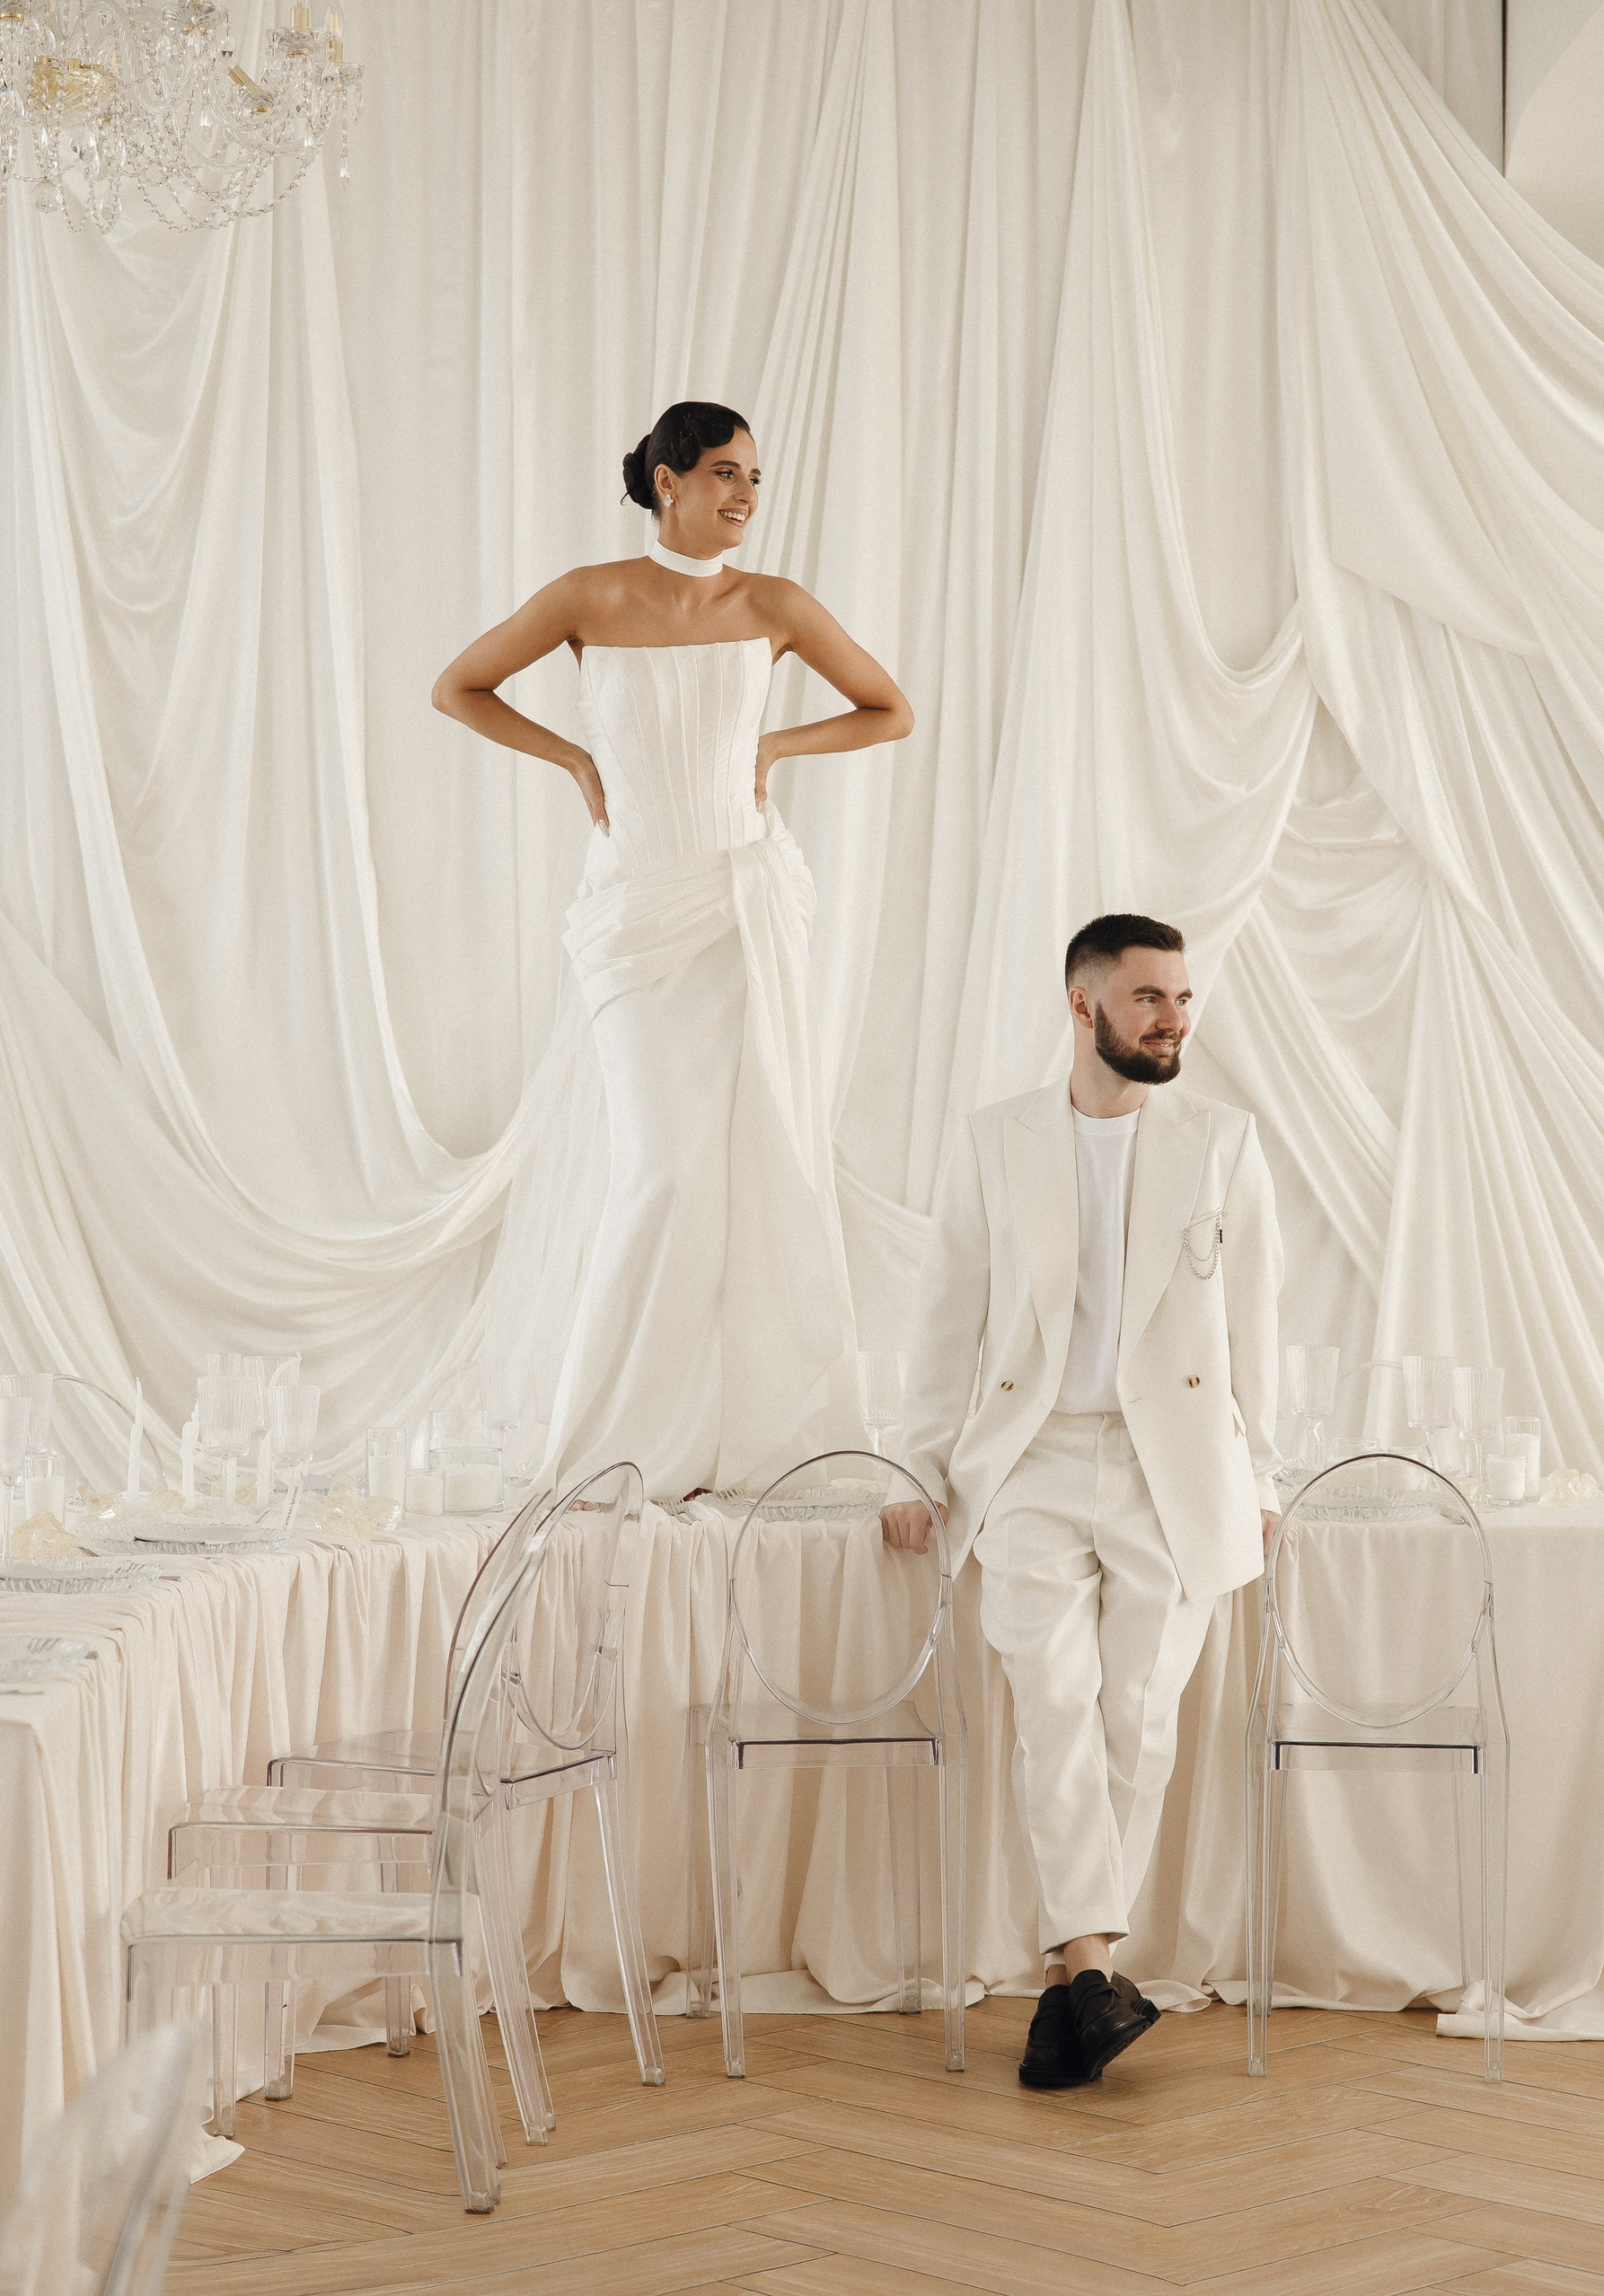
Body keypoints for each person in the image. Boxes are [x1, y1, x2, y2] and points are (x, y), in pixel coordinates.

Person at [432, 401, 912, 1500]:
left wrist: (776, 745)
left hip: (742, 906)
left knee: (760, 1164)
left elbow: (890, 710)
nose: (745, 495)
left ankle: (743, 1442)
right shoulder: (588, 596)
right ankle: (616, 1445)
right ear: (667, 481)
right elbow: (457, 686)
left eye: (755, 478)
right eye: (725, 473)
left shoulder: (774, 604)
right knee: (664, 1170)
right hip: (637, 916)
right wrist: (572, 759)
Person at [880, 914, 1282, 2088]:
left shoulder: (1223, 1141)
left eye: (1183, 998)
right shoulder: (996, 1140)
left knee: (1139, 1719)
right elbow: (945, 1320)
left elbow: (1258, 1324)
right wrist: (920, 1468)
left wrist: (1260, 1477)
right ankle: (1097, 1968)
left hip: (1177, 1468)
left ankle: (1073, 1986)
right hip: (1033, 1459)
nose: (1174, 1019)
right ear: (1083, 1003)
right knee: (1053, 1700)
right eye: (1150, 997)